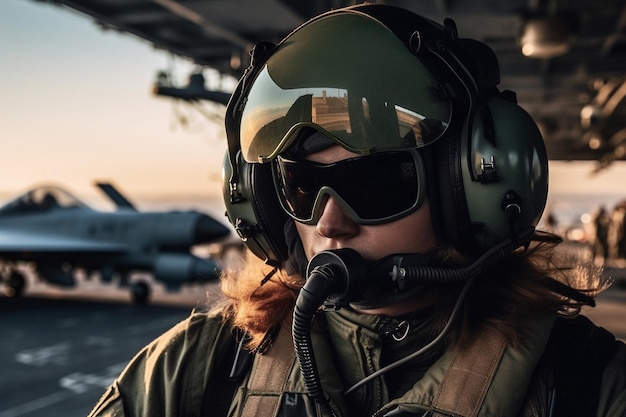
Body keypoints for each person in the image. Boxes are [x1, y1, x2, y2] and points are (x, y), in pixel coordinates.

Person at [88, 5, 626, 417]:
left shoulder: (588, 385)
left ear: (466, 186)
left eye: (371, 182)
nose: (328, 223)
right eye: (301, 186)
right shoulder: (198, 368)